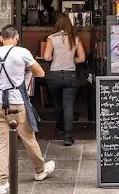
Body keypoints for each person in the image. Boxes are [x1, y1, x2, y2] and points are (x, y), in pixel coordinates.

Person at [0, 25, 55, 194]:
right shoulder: (22, 52)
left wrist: (0, 89)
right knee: (28, 137)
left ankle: (1, 183)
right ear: (16, 38)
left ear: (1, 38)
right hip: (17, 102)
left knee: (3, 142)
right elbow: (40, 73)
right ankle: (39, 170)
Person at [43, 13, 85, 146]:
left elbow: (47, 57)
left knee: (57, 103)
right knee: (68, 105)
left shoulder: (51, 38)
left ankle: (60, 126)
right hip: (70, 75)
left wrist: (57, 58)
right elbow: (82, 58)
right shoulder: (75, 38)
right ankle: (68, 137)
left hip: (55, 75)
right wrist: (72, 60)